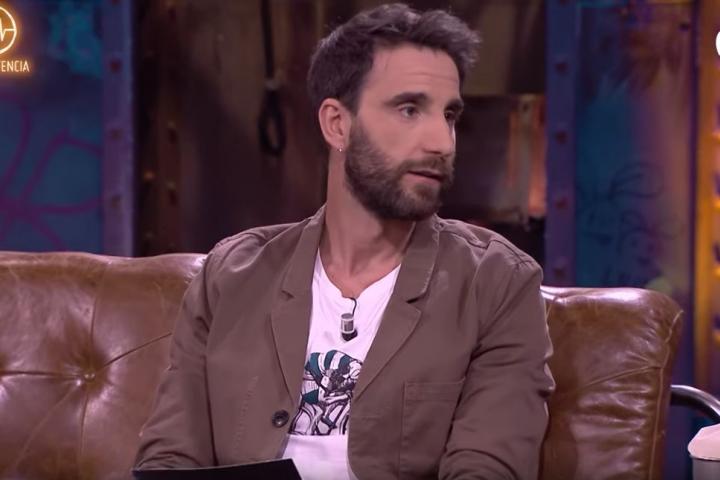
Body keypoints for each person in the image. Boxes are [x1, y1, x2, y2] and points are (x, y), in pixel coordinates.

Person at [134, 3, 554, 479]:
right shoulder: (229, 276)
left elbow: (487, 470)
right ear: (337, 123)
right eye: (409, 109)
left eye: (450, 115)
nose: (442, 142)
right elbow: (169, 460)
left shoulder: (497, 284)